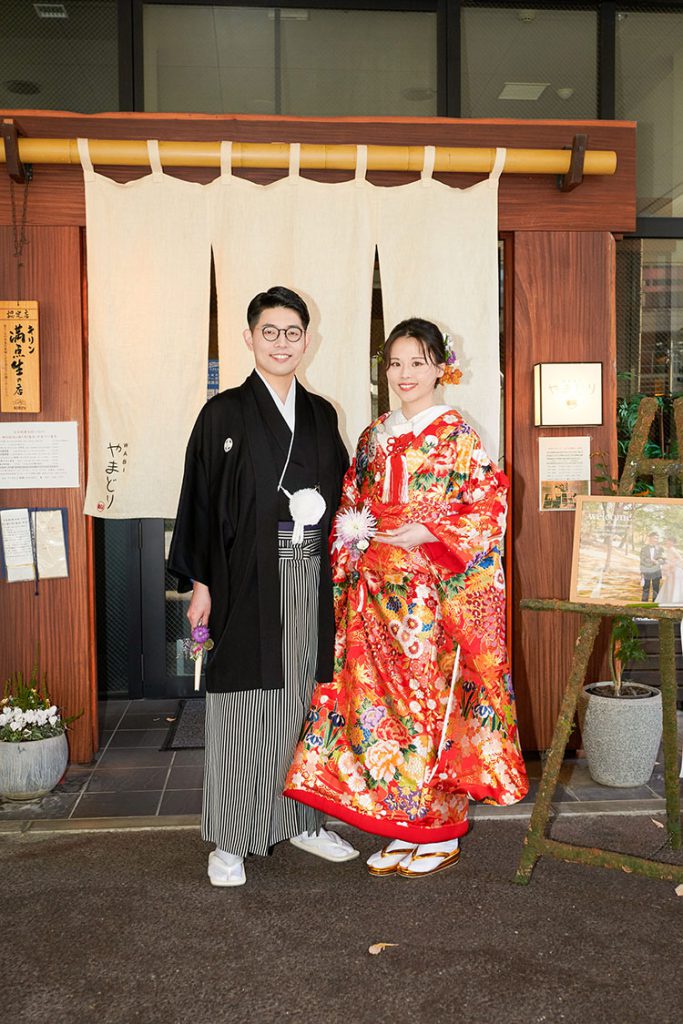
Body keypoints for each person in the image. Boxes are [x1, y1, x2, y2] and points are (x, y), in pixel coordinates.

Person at [284, 318, 528, 878]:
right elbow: (352, 498)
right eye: (395, 363)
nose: (404, 374)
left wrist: (428, 532)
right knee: (380, 713)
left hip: (431, 596)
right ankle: (402, 825)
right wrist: (353, 534)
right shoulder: (374, 435)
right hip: (374, 594)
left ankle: (437, 830)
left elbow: (487, 510)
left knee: (428, 712)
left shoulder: (456, 433)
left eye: (417, 362)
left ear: (442, 367)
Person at [168, 286, 359, 887]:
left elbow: (349, 496)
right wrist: (201, 585)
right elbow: (198, 502)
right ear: (249, 339)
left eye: (293, 332)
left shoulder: (322, 414)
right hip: (244, 578)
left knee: (306, 702)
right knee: (244, 709)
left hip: (311, 577)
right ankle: (230, 838)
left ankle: (302, 821)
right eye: (269, 332)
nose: (282, 342)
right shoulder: (222, 413)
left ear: (310, 340)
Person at [655, 535, 683, 606]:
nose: (667, 542)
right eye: (667, 541)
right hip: (672, 570)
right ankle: (671, 600)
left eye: (668, 541)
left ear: (672, 543)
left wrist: (672, 565)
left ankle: (673, 601)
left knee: (673, 585)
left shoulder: (672, 549)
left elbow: (680, 559)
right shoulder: (670, 549)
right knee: (670, 585)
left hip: (675, 571)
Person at [640, 531, 663, 601]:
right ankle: (643, 604)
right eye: (655, 538)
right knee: (645, 588)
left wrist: (659, 561)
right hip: (646, 570)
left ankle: (655, 604)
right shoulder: (644, 548)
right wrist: (652, 561)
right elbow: (643, 559)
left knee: (656, 588)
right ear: (650, 538)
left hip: (656, 571)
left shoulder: (660, 548)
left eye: (657, 538)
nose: (656, 540)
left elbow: (662, 558)